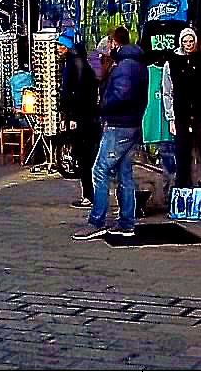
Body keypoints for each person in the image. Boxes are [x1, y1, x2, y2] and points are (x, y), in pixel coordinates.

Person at [72, 27, 147, 241]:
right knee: (124, 174)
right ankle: (126, 222)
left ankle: (97, 221)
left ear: (115, 43)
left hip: (119, 124)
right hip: (130, 123)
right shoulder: (136, 64)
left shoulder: (125, 67)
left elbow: (121, 95)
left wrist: (102, 105)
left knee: (100, 170)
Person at [162, 26, 201, 191]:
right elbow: (167, 91)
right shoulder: (171, 63)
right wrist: (171, 118)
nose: (188, 44)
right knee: (182, 157)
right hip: (181, 115)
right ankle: (182, 196)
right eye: (185, 41)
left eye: (191, 41)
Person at [60, 32, 100, 209]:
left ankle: (89, 196)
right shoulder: (82, 65)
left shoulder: (74, 66)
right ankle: (91, 194)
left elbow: (73, 94)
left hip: (82, 118)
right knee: (87, 157)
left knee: (84, 157)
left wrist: (71, 116)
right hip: (88, 117)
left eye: (60, 45)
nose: (57, 49)